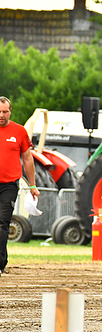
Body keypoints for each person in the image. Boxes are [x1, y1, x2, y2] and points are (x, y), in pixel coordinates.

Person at [0, 96, 39, 276]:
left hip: (8, 185)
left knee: (2, 222)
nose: (2, 115)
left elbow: (28, 158)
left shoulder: (19, 131)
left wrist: (32, 186)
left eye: (5, 112)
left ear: (10, 111)